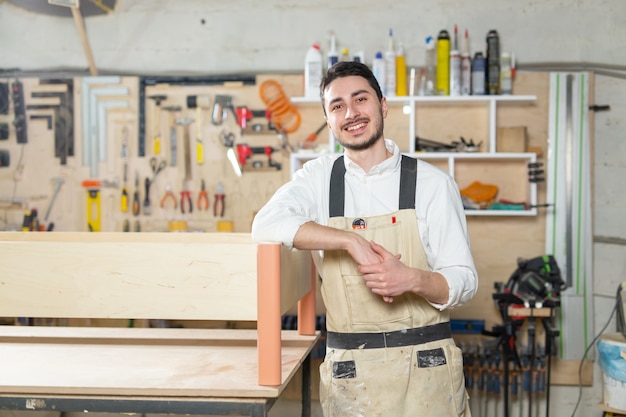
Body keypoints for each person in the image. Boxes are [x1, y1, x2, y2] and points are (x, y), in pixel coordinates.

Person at [251, 61, 478, 417]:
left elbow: (465, 280)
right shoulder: (318, 178)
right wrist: (349, 242)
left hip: (427, 372)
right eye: (337, 106)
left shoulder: (432, 184)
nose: (351, 113)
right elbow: (265, 224)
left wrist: (413, 279)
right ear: (328, 120)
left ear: (382, 106)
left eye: (360, 99)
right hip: (352, 375)